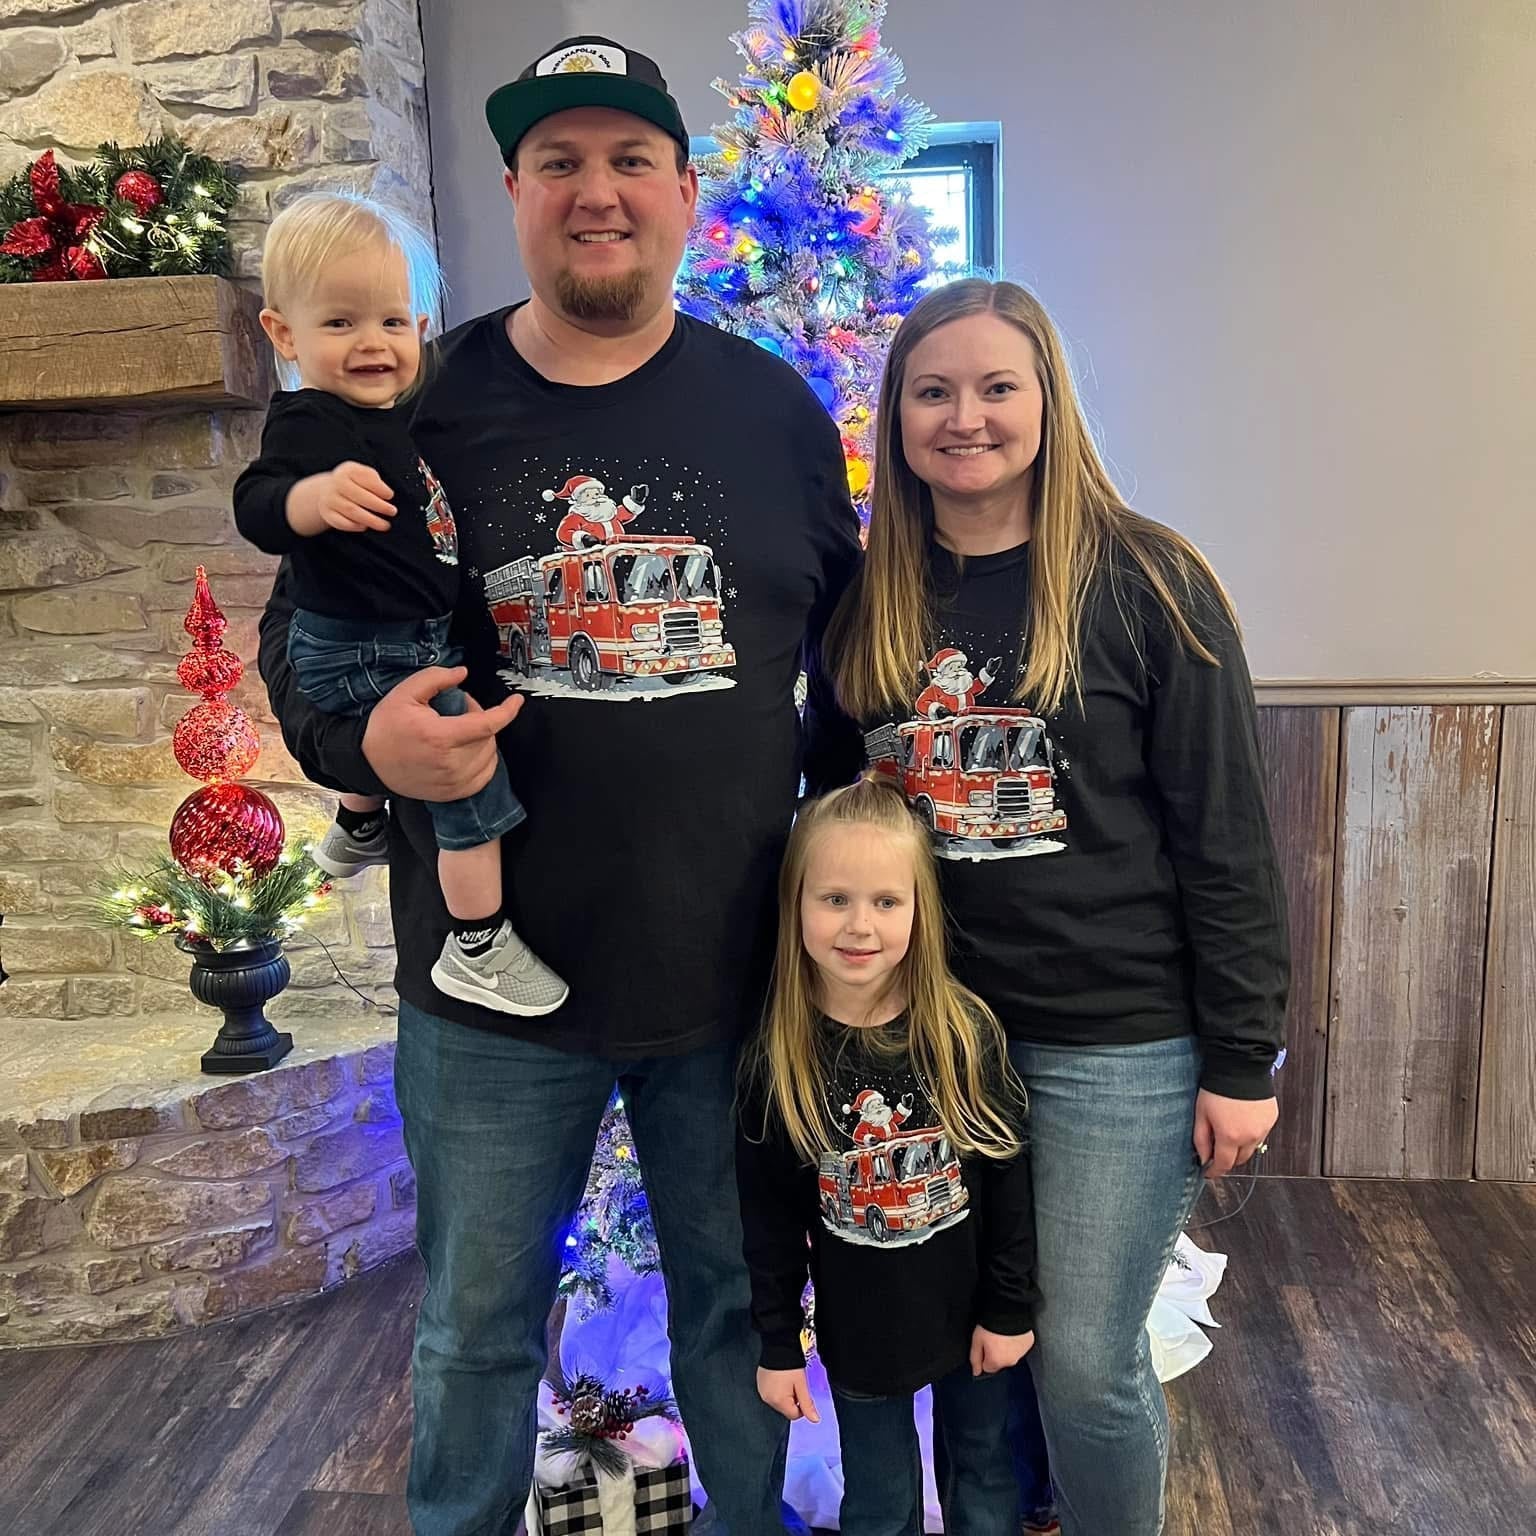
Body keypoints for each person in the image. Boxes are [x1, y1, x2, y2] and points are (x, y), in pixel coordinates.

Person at [256, 34, 862, 1536]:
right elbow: (300, 642)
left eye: (630, 159)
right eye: (559, 163)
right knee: (474, 1327)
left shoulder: (775, 412)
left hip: (733, 981)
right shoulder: (411, 401)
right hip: (488, 990)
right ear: (515, 192)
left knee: (741, 1313)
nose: (598, 193)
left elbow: (852, 673)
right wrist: (364, 752)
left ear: (686, 192)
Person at [824, 279, 1288, 1536]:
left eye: (996, 387)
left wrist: (1242, 1056)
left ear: (1048, 401)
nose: (964, 416)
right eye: (933, 391)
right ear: (897, 414)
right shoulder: (870, 598)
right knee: (980, 1337)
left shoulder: (1149, 581)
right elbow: (832, 816)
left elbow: (1228, 838)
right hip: (930, 1042)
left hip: (1115, 1043)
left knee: (1084, 1360)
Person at [234, 194, 566, 1017]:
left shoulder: (399, 418)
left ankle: (359, 822)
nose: (372, 344)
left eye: (391, 322)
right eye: (339, 323)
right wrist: (309, 500)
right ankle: (478, 943)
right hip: (364, 647)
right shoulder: (312, 422)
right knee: (466, 773)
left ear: (420, 329)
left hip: (406, 637)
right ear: (283, 334)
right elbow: (254, 503)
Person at [736, 776, 1036, 1536]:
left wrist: (1008, 1308)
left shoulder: (962, 1033)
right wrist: (779, 1345)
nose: (859, 925)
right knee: (876, 1501)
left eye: (886, 901)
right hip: (860, 1337)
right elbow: (769, 1226)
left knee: (984, 1474)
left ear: (919, 910)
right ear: (795, 904)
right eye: (834, 899)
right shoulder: (779, 1061)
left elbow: (1008, 1180)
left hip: (973, 1321)